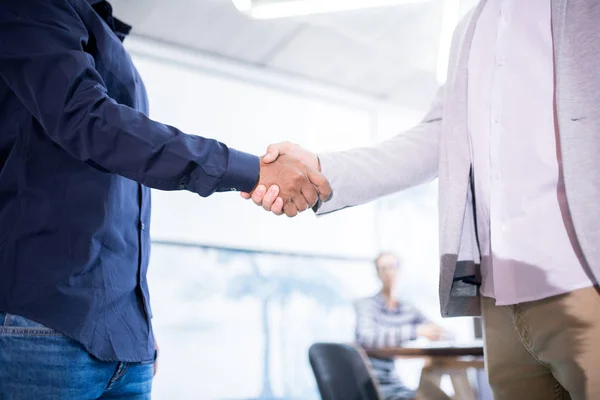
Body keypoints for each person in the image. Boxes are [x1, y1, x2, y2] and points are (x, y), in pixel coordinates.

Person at [246, 1, 600, 398]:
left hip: (584, 279)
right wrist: (319, 169)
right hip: (499, 300)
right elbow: (436, 138)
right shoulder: (469, 29)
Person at [0, 1, 330, 399]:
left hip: (125, 343)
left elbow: (119, 207)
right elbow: (93, 124)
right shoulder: (30, 8)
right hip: (43, 329)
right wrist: (252, 170)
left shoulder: (97, 30)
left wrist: (138, 319)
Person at [355, 253, 445, 400]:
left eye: (392, 267)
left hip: (396, 381)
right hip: (370, 382)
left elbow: (440, 332)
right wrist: (415, 332)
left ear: (400, 271)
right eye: (383, 268)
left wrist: (434, 341)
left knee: (435, 395)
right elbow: (367, 337)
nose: (388, 272)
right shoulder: (366, 305)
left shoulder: (407, 308)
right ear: (377, 273)